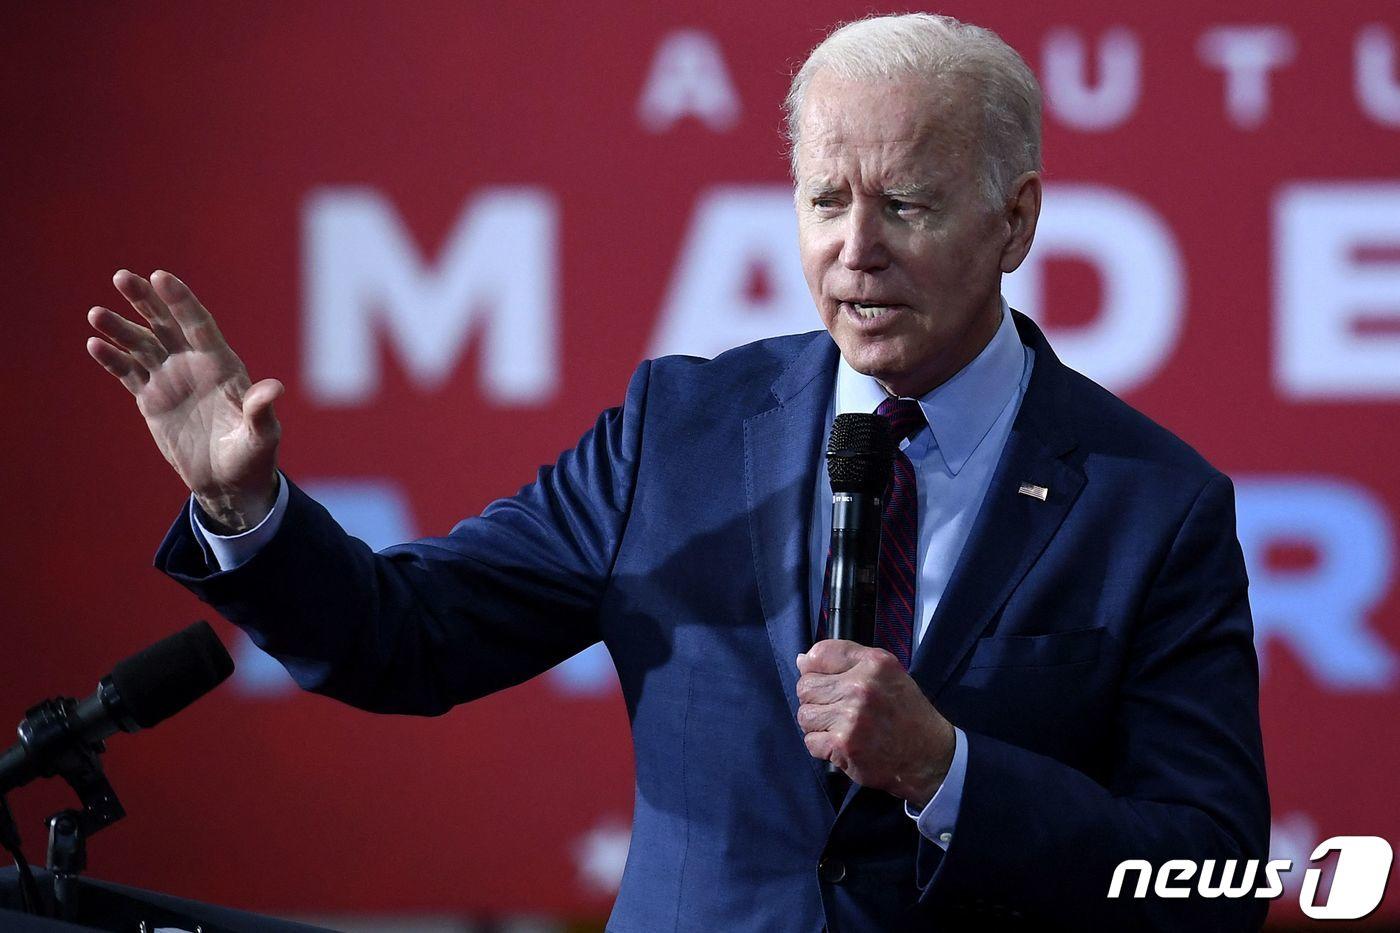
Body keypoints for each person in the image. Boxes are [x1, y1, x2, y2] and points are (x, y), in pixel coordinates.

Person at [85, 13, 1269, 932]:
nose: (854, 250)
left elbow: (1206, 873)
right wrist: (243, 505)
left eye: (905, 204)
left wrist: (945, 772)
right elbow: (404, 637)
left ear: (1014, 222)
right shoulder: (682, 431)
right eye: (823, 199)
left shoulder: (1151, 506)